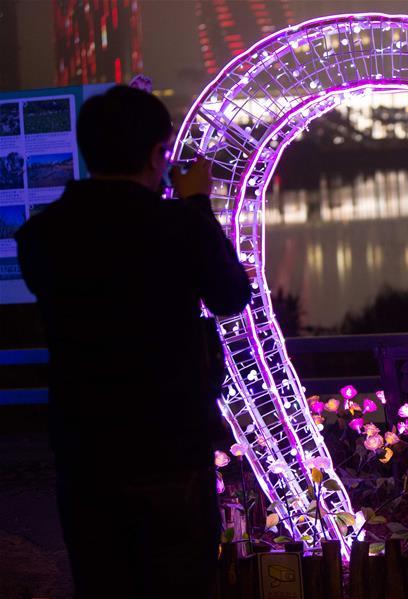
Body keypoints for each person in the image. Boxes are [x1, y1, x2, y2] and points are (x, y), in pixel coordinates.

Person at [15, 86, 251, 598]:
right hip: (171, 448)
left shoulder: (41, 235)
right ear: (154, 155)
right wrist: (197, 204)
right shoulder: (178, 226)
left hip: (86, 450)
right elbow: (231, 295)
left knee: (102, 583)